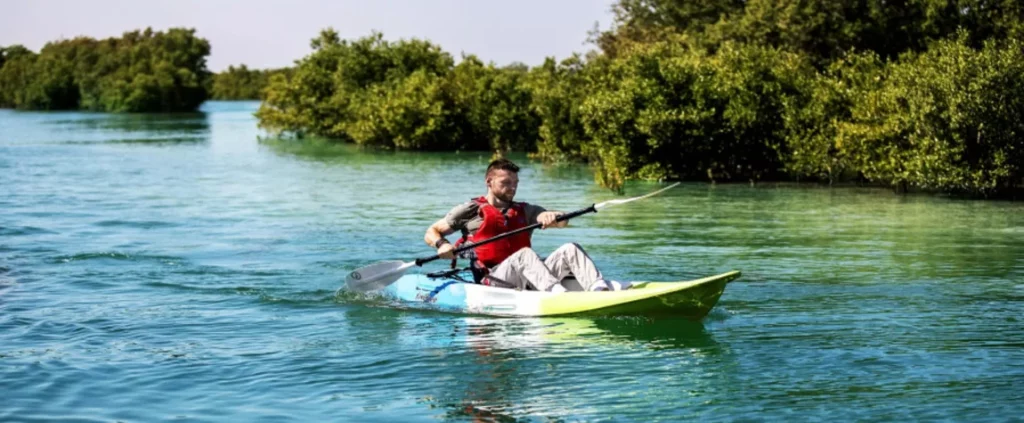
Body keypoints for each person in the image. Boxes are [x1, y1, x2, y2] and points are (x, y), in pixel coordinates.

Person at [424, 158, 628, 292]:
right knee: (525, 255)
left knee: (570, 248)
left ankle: (600, 289)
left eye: (515, 183)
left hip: (528, 278)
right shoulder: (470, 210)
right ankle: (558, 294)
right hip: (494, 280)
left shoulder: (525, 210)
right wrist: (442, 244)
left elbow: (560, 221)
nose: (512, 188)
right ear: (489, 182)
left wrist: (554, 217)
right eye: (506, 183)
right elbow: (431, 231)